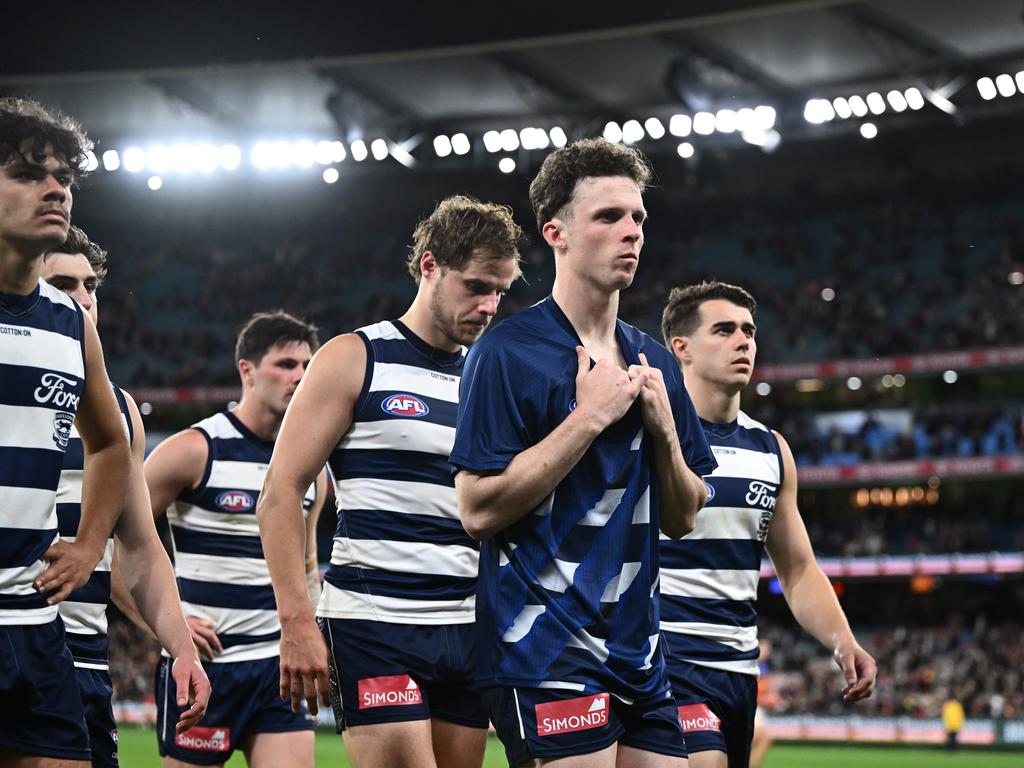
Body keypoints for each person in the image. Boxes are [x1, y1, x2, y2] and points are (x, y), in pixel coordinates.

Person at [451, 138, 716, 768]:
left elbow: (683, 516)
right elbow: (478, 510)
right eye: (608, 217)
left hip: (642, 657)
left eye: (638, 218)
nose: (631, 232)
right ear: (556, 233)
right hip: (543, 652)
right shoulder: (507, 352)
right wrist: (591, 415)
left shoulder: (655, 361)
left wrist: (663, 430)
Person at [256, 194, 522, 768]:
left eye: (500, 291)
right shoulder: (356, 356)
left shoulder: (492, 376)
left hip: (469, 627)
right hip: (377, 624)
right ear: (430, 265)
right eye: (476, 286)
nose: (489, 305)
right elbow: (280, 493)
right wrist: (297, 622)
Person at [659, 281, 877, 768]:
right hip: (666, 663)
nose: (743, 341)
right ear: (682, 348)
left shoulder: (771, 449)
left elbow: (798, 570)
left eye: (749, 331)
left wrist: (843, 642)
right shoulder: (653, 433)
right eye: (724, 330)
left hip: (738, 672)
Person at [41, 226, 211, 767]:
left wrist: (180, 643)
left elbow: (137, 549)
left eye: (91, 284)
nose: (85, 299)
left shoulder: (119, 410)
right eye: (64, 284)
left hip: (83, 663)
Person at [0, 97, 130, 766]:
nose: (55, 189)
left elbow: (110, 442)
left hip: (32, 624)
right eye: (27, 173)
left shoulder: (68, 323)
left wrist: (88, 544)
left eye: (65, 179)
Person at [144, 311, 328, 768]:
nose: (300, 377)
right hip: (203, 667)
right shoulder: (194, 450)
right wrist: (167, 625)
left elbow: (308, 564)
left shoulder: (313, 470)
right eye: (285, 365)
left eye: (307, 366)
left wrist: (317, 633)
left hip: (277, 667)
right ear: (246, 370)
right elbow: (113, 543)